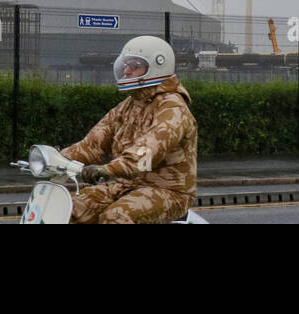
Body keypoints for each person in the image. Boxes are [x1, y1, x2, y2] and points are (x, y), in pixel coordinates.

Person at [59, 35, 198, 224]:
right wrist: (56, 160)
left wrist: (107, 169)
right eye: (126, 65)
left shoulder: (173, 108)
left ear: (157, 67)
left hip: (168, 191)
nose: (126, 70)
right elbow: (92, 144)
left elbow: (147, 153)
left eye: (135, 65)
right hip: (124, 185)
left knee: (117, 217)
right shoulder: (128, 106)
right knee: (71, 208)